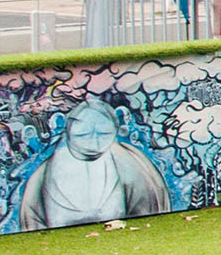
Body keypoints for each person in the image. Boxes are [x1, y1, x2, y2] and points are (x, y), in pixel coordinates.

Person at [14, 99, 172, 231]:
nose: (93, 142)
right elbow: (33, 216)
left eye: (103, 134)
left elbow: (149, 205)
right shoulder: (49, 170)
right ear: (68, 133)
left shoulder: (129, 162)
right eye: (83, 134)